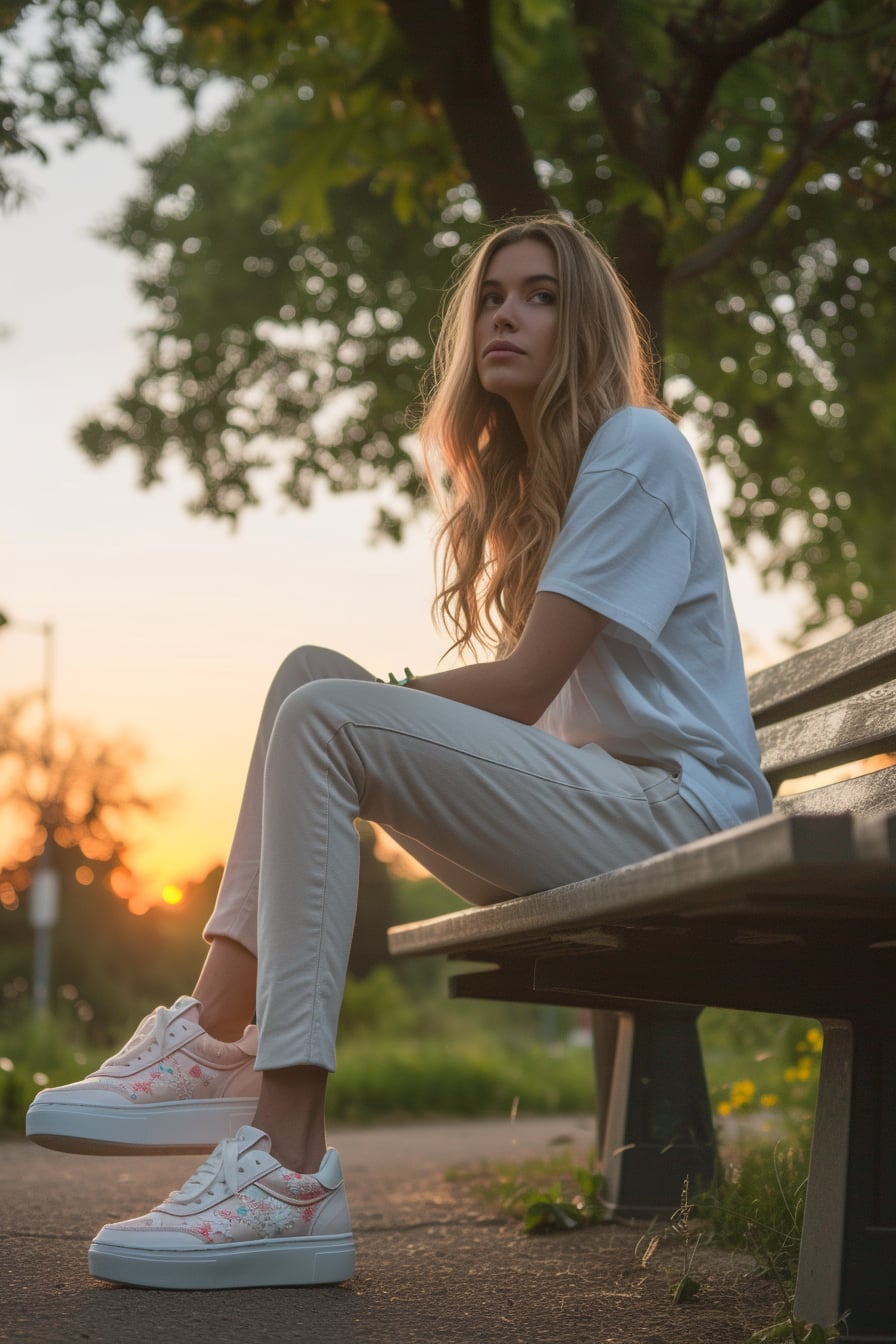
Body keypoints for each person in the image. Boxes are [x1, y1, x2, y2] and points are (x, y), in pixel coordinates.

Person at [26, 215, 772, 1290]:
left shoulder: (634, 444)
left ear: (589, 325)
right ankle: (212, 1033)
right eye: (491, 295)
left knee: (323, 714)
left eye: (541, 295)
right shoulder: (536, 493)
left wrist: (375, 707)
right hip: (604, 818)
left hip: (675, 819)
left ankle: (283, 1166)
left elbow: (518, 692)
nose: (505, 313)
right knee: (305, 678)